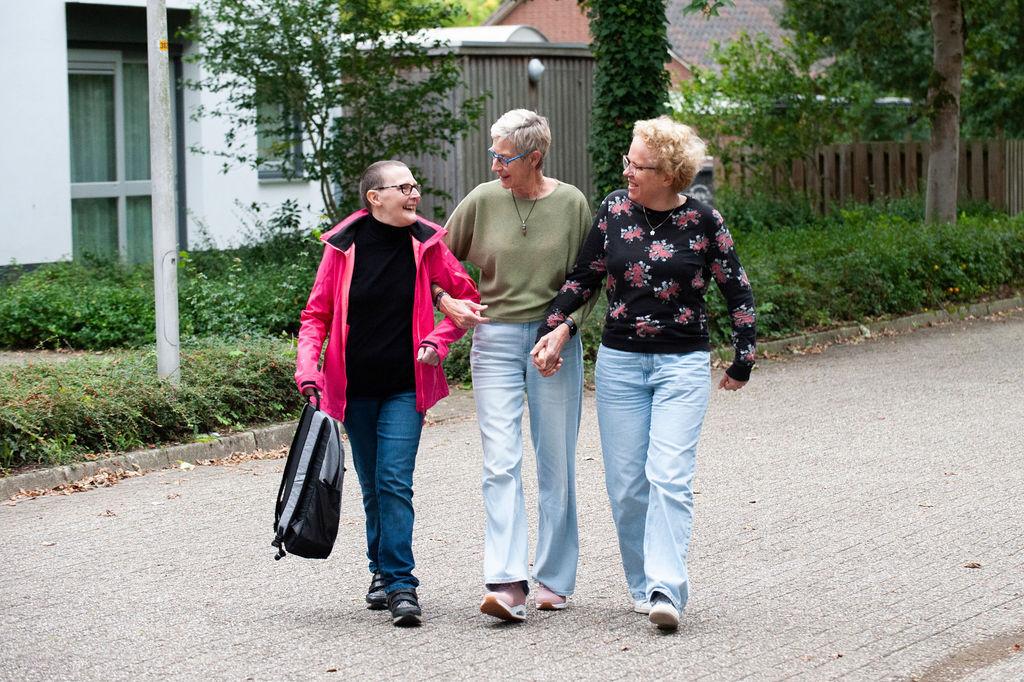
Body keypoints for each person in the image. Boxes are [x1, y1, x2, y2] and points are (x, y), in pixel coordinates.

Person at [532, 116, 757, 631]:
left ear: (670, 172)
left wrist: (743, 357)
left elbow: (736, 290)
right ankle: (642, 584)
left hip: (682, 364)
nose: (628, 170)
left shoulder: (704, 221)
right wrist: (556, 328)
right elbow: (583, 278)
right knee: (628, 485)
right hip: (620, 366)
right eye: (627, 161)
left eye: (640, 164)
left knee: (670, 479)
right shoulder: (613, 209)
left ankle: (665, 589)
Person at [295, 160, 479, 627]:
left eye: (415, 186)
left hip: (405, 385)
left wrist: (438, 341)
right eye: (404, 187)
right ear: (374, 197)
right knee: (373, 485)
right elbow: (316, 316)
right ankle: (379, 572)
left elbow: (467, 298)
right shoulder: (342, 247)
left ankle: (401, 584)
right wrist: (308, 370)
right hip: (354, 388)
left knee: (394, 481)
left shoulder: (427, 242)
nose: (414, 194)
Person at [432, 109, 596, 622]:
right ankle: (506, 582)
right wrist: (445, 298)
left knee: (556, 463)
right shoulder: (482, 200)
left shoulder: (571, 204)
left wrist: (565, 330)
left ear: (535, 157)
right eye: (494, 155)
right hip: (495, 338)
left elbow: (590, 278)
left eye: (505, 157)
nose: (497, 165)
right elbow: (433, 259)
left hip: (555, 341)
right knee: (500, 462)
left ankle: (553, 579)